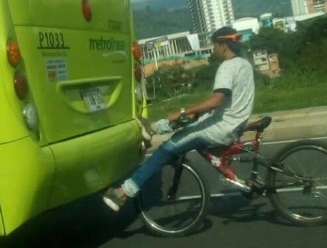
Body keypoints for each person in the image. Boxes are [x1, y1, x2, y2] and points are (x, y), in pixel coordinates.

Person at [103, 26, 255, 211]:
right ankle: (154, 128)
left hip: (221, 128)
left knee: (167, 148)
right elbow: (223, 103)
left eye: (214, 45)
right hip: (232, 123)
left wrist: (182, 111)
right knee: (194, 117)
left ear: (223, 45)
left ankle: (123, 193)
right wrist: (192, 112)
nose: (213, 49)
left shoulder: (227, 67)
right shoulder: (244, 64)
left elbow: (216, 100)